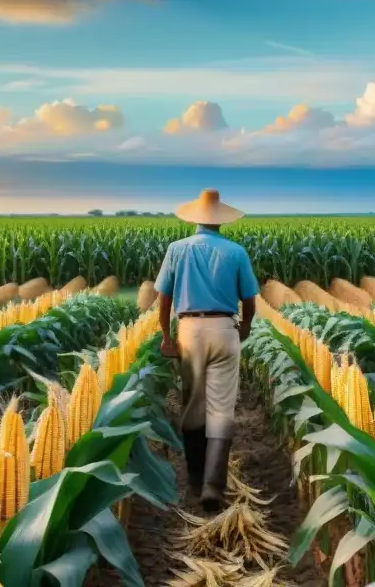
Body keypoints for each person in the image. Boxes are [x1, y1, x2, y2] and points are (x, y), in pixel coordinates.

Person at [154, 188, 259, 511]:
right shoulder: (236, 252)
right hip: (224, 328)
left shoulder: (177, 250)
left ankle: (196, 480)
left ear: (195, 217)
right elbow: (250, 302)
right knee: (221, 407)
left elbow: (164, 299)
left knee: (193, 405)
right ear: (220, 220)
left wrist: (167, 337)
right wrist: (243, 328)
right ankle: (214, 485)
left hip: (190, 330)